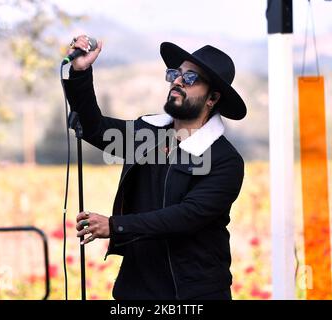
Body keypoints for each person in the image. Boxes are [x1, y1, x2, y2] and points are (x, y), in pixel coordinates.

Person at [64, 35, 246, 300]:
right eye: (175, 74)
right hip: (136, 291)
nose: (178, 81)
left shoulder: (225, 160)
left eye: (191, 78)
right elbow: (95, 128)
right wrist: (80, 73)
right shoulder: (148, 133)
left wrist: (115, 226)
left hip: (194, 294)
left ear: (212, 98)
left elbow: (186, 217)